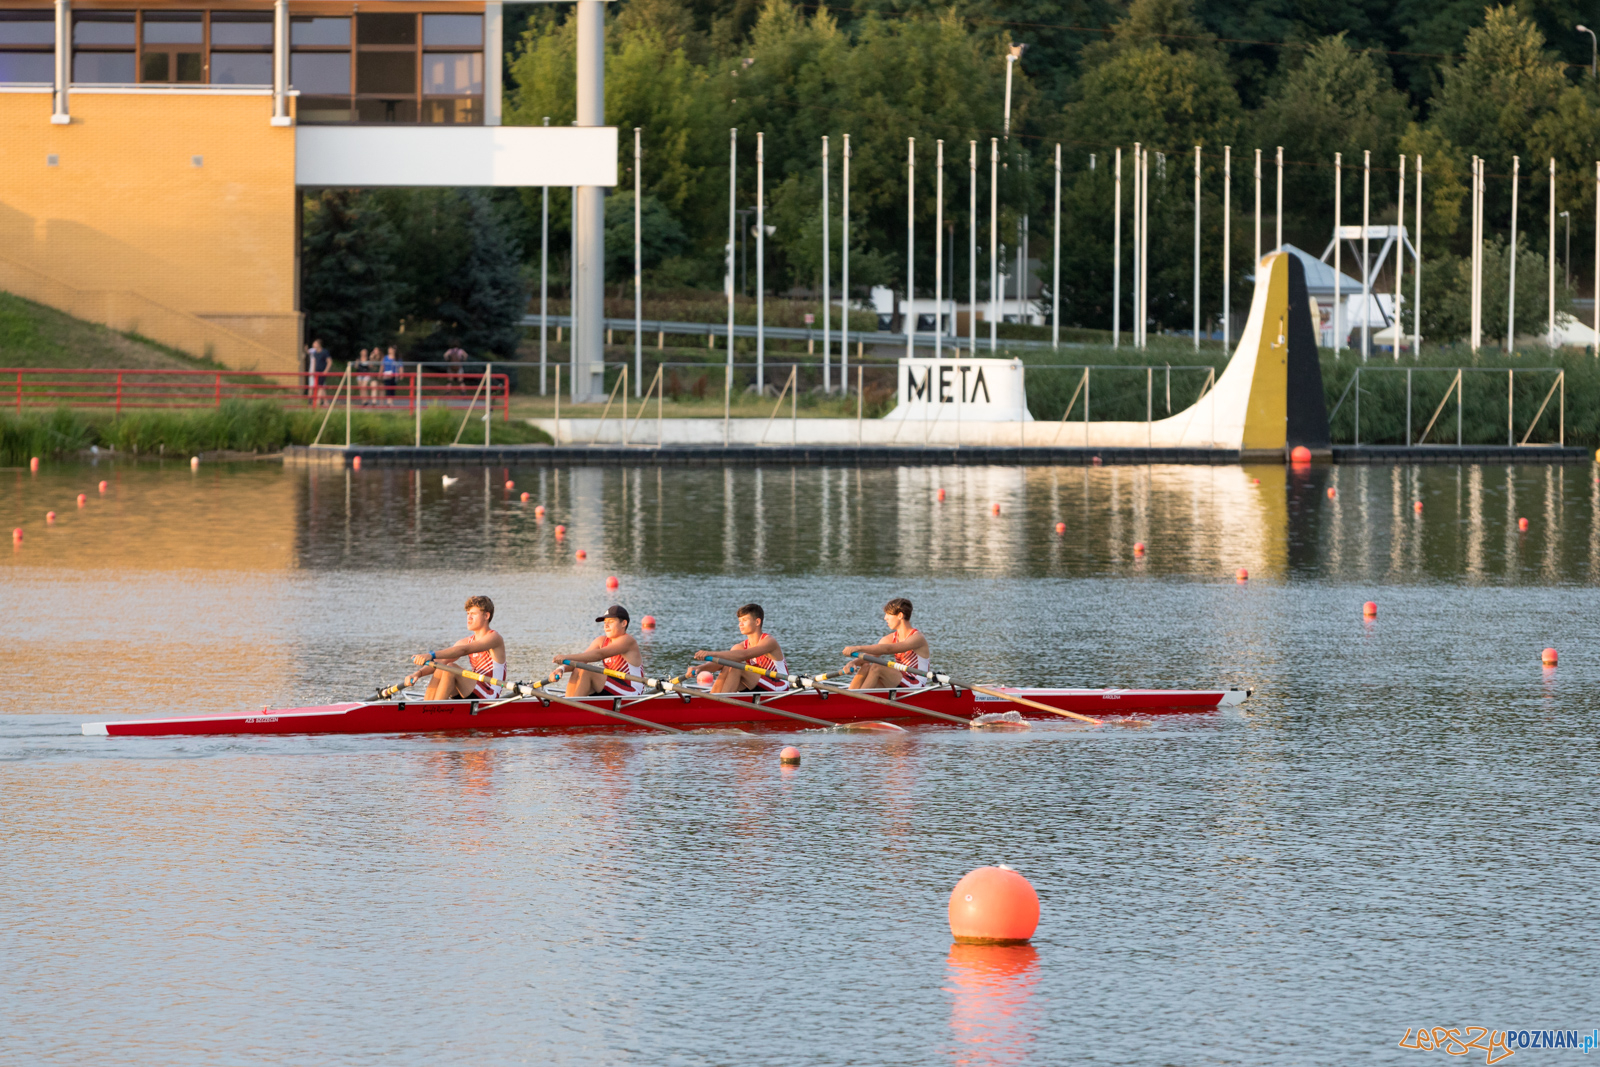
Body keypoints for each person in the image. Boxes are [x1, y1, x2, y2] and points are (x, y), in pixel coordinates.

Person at [400, 596, 508, 699]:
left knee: (451, 667)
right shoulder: (466, 641)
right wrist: (417, 674)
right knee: (441, 667)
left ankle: (433, 709)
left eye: (473, 614)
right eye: (468, 613)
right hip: (471, 690)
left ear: (486, 616)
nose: (469, 618)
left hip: (489, 693)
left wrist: (430, 655)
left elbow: (463, 650)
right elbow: (442, 660)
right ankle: (427, 707)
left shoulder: (494, 638)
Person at [549, 605, 643, 696]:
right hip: (612, 686)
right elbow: (581, 660)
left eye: (611, 621)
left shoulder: (627, 640)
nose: (606, 625)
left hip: (632, 691)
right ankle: (568, 704)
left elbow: (599, 654)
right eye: (605, 622)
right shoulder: (601, 641)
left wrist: (566, 657)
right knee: (580, 667)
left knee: (587, 671)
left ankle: (571, 708)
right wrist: (561, 669)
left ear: (623, 623)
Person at [694, 603, 789, 693]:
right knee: (729, 664)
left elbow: (744, 655)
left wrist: (710, 653)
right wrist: (700, 668)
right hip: (758, 684)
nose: (740, 624)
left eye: (744, 620)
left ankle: (722, 702)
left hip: (779, 685)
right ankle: (713, 698)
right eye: (740, 621)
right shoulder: (740, 646)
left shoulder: (769, 641)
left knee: (737, 666)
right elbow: (721, 663)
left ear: (757, 622)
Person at [841, 597, 931, 690]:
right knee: (866, 666)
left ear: (900, 615)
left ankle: (859, 700)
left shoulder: (917, 638)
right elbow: (870, 656)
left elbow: (888, 649)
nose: (885, 618)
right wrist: (852, 663)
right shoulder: (890, 638)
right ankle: (849, 697)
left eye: (888, 614)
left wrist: (858, 648)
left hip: (915, 683)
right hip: (899, 679)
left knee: (877, 667)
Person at [306, 339, 330, 407]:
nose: (314, 345)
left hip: (322, 372)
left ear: (319, 344)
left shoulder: (324, 352)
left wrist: (326, 371)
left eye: (315, 343)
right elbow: (315, 363)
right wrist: (313, 371)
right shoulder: (315, 353)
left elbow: (329, 362)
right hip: (316, 373)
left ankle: (317, 402)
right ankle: (326, 402)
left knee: (320, 387)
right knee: (321, 387)